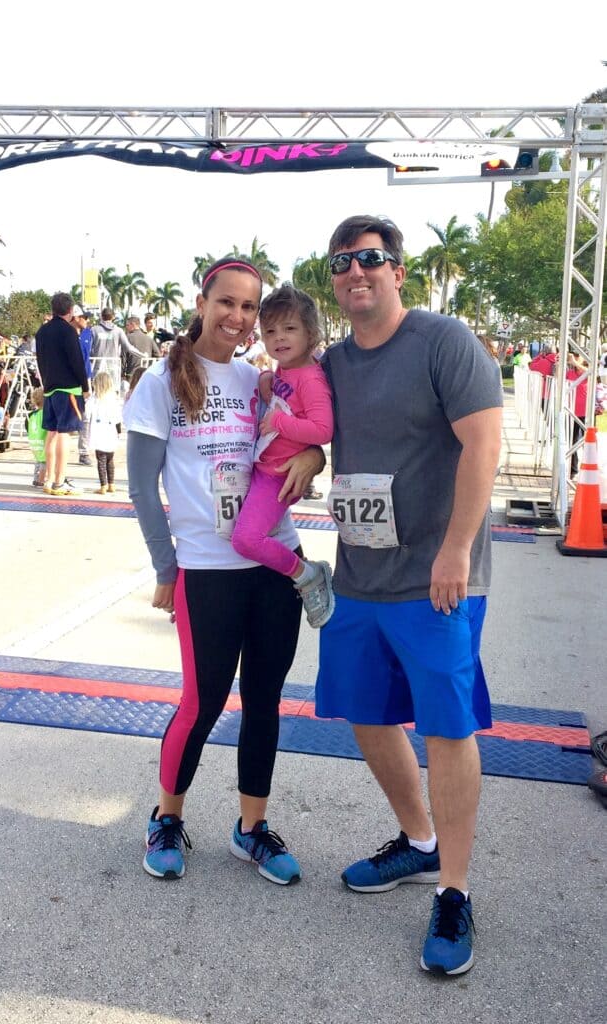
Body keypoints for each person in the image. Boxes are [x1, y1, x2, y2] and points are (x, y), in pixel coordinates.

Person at [315, 215, 503, 977]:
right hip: (359, 574)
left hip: (438, 578)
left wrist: (456, 547)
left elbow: (484, 441)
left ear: (397, 270)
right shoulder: (331, 361)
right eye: (341, 262)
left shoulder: (442, 342)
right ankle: (418, 843)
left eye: (370, 259)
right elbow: (306, 424)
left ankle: (454, 890)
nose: (356, 272)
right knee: (365, 715)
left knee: (447, 728)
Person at [125, 257, 323, 884]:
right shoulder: (160, 381)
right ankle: (166, 817)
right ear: (203, 301)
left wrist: (316, 455)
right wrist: (165, 567)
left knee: (264, 701)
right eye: (227, 304)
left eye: (249, 308)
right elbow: (139, 487)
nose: (238, 318)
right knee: (203, 701)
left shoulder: (260, 379)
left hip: (273, 563)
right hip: (207, 568)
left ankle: (251, 828)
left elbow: (301, 435)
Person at [230, 284, 334, 628]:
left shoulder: (311, 378)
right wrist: (267, 378)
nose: (279, 338)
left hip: (278, 476)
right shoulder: (287, 370)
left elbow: (322, 430)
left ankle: (307, 574)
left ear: (311, 333)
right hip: (264, 468)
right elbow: (283, 394)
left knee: (246, 539)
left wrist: (279, 422)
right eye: (271, 331)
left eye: (290, 329)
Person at [35, 292, 89, 496]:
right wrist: (85, 387)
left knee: (52, 432)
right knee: (65, 434)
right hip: (69, 389)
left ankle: (49, 478)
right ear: (70, 310)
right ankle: (59, 481)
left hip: (50, 387)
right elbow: (77, 362)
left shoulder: (42, 332)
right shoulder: (68, 331)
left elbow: (40, 360)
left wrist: (46, 382)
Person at [90, 307, 143, 394]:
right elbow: (128, 348)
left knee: (97, 392)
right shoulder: (118, 331)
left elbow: (89, 349)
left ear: (101, 316)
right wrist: (143, 355)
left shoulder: (94, 330)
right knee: (112, 393)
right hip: (113, 367)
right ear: (113, 317)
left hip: (97, 366)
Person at [85, 371, 121, 494]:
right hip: (111, 430)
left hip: (98, 431)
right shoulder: (114, 398)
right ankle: (112, 484)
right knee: (110, 459)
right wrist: (119, 431)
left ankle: (103, 485)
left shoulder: (94, 398)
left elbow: (87, 412)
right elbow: (117, 417)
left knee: (101, 459)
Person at [73, 306, 93, 466]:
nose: (87, 320)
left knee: (86, 417)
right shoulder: (67, 333)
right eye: (84, 317)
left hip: (85, 379)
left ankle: (84, 452)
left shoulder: (88, 333)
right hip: (69, 380)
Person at [26, 386, 47, 486]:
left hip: (35, 442)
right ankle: (41, 479)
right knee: (44, 462)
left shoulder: (32, 415)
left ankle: (36, 478)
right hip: (44, 440)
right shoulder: (46, 413)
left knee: (38, 460)